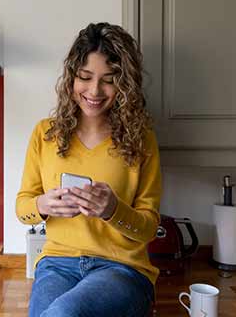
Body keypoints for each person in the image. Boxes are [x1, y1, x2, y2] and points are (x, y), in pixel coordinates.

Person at [16, 22, 162, 317]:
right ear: (71, 78)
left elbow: (148, 228)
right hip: (57, 263)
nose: (94, 90)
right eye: (85, 77)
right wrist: (44, 205)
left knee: (62, 314)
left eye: (108, 80)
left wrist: (113, 210)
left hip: (122, 268)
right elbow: (23, 208)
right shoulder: (45, 134)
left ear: (124, 84)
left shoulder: (141, 139)